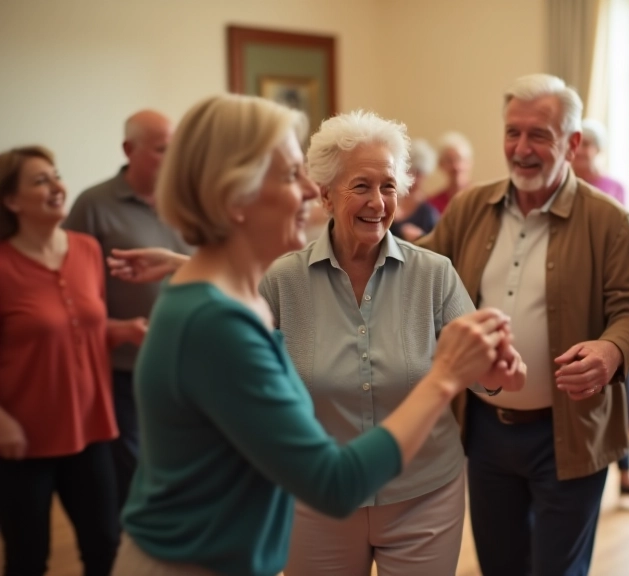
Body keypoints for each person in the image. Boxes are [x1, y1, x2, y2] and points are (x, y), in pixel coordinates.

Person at [109, 94, 517, 576]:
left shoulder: (218, 306)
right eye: (289, 175)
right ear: (233, 196)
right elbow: (333, 481)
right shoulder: (220, 320)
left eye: (387, 185)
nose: (305, 190)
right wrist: (443, 375)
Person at [259, 110, 525, 576]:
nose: (378, 202)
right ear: (324, 193)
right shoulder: (283, 281)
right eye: (361, 186)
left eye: (388, 186)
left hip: (424, 496)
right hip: (317, 498)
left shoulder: (434, 273)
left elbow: (479, 374)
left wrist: (496, 374)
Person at [417, 73, 629, 576]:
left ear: (571, 143)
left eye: (538, 135)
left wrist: (611, 351)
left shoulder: (608, 221)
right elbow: (419, 278)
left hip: (569, 434)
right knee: (499, 566)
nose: (521, 148)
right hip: (482, 431)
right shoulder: (469, 208)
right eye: (512, 132)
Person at [0, 146, 147, 576]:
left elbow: (80, 328)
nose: (56, 186)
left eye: (56, 175)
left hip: (91, 427)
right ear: (11, 200)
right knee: (28, 559)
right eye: (40, 180)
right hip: (23, 437)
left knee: (105, 547)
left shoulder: (86, 249)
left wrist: (123, 330)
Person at [63, 109, 192, 510]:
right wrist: (114, 326)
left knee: (181, 473)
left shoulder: (186, 201)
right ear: (128, 150)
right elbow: (67, 286)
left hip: (183, 367)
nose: (171, 159)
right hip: (123, 368)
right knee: (133, 477)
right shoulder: (93, 205)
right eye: (160, 150)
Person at [571, 117, 629, 497]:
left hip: (611, 303)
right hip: (575, 304)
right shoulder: (562, 190)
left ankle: (625, 469)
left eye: (589, 145)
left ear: (596, 149)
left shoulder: (613, 187)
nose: (583, 152)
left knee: (622, 389)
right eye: (579, 144)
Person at [389, 138, 440, 241]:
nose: (412, 177)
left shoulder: (428, 213)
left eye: (418, 173)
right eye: (408, 170)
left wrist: (420, 237)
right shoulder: (388, 198)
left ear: (425, 175)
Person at [426, 131, 473, 214]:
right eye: (449, 161)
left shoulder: (482, 198)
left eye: (459, 159)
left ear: (469, 162)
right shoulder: (432, 204)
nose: (456, 166)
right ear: (440, 165)